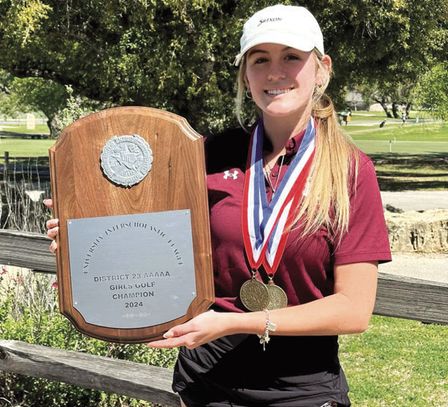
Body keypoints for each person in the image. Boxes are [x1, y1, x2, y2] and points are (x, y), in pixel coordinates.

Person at [45, 4, 391, 406]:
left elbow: (353, 310)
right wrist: (87, 248)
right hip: (204, 383)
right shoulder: (208, 153)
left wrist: (235, 323)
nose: (275, 72)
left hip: (300, 390)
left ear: (322, 67)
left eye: (291, 57)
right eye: (260, 60)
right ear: (246, 74)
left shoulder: (350, 170)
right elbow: (150, 237)